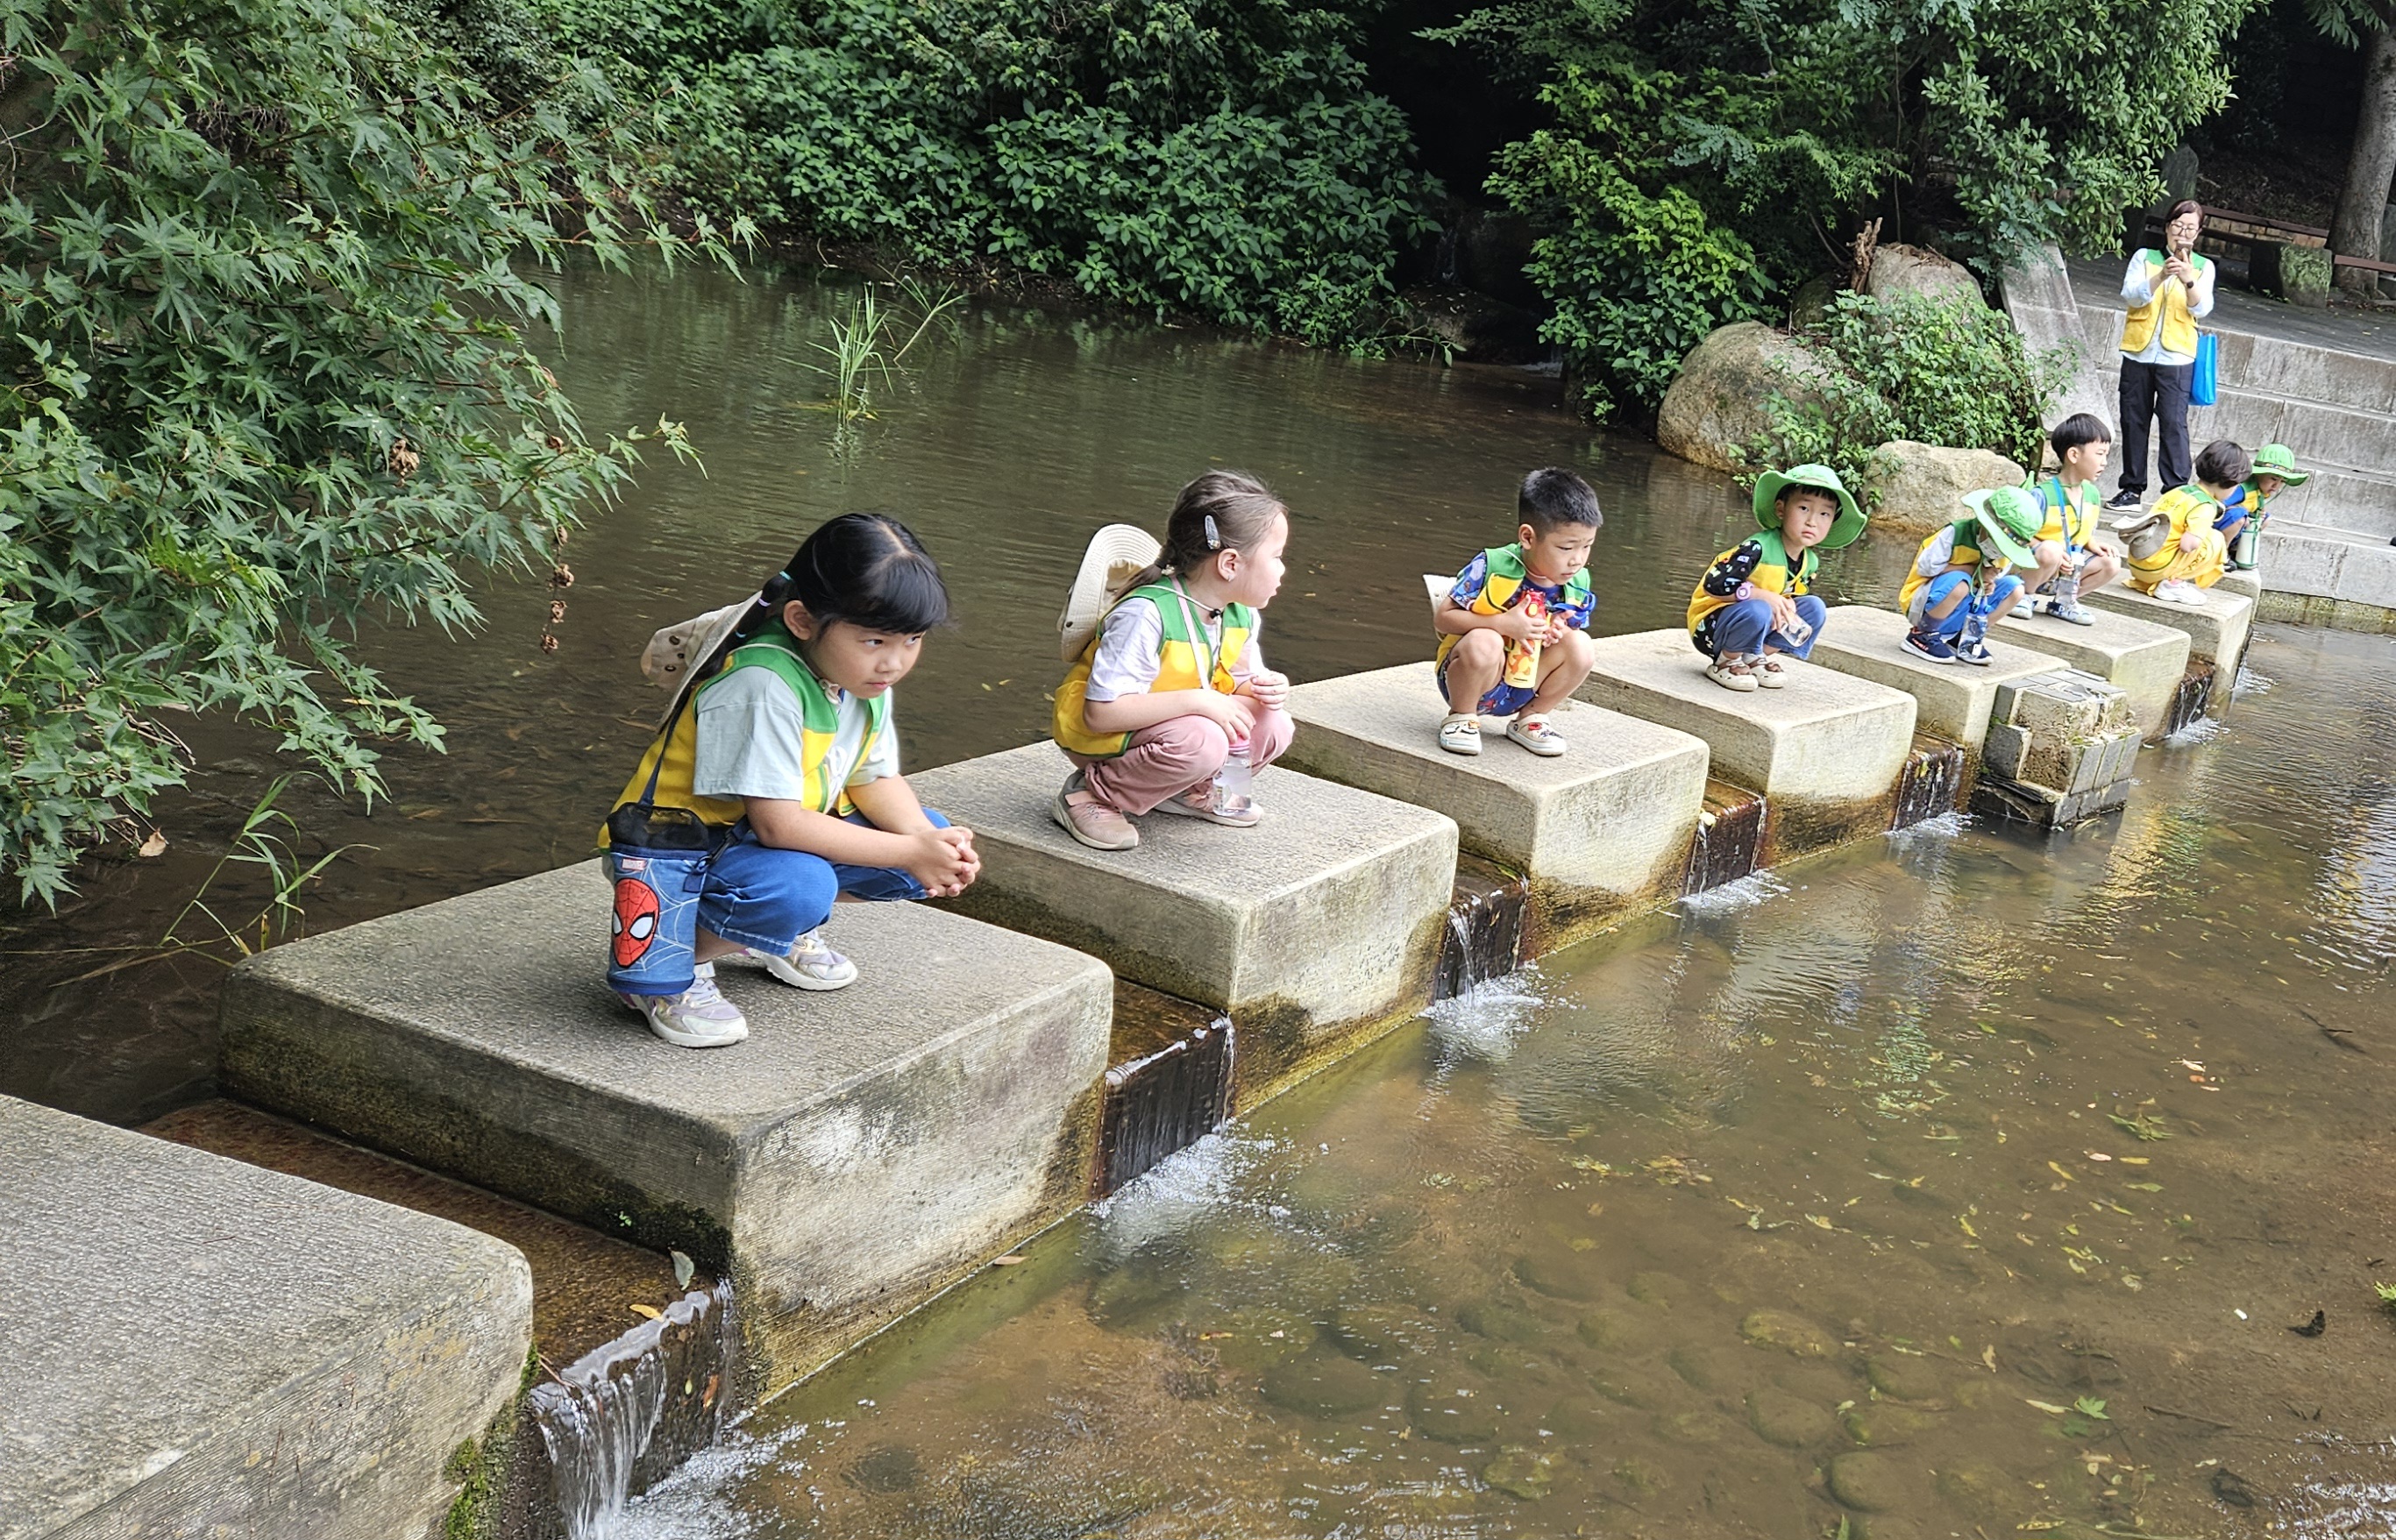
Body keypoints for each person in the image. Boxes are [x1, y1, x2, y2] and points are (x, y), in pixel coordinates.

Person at [601, 513, 975, 1048]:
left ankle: (761, 931)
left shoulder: (858, 674)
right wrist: (908, 849)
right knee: (802, 887)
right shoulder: (761, 683)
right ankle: (669, 961)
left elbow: (874, 777)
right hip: (676, 855)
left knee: (926, 846)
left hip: (755, 842)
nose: (895, 662)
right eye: (875, 641)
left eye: (912, 640)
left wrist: (927, 844)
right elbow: (778, 826)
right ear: (802, 620)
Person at [1050, 470, 1295, 852]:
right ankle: (1092, 794)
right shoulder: (1146, 614)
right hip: (1107, 735)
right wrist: (1198, 700)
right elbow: (1100, 714)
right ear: (1230, 563)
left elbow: (1240, 684)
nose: (1282, 568)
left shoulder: (1240, 612)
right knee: (1203, 740)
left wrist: (1265, 688)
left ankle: (1192, 791)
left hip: (1173, 730)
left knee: (1274, 722)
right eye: (1277, 556)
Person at [1432, 467, 1601, 756]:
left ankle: (1531, 717)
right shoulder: (1493, 566)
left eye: (1587, 547)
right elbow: (1443, 618)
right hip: (1477, 678)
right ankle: (1461, 717)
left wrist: (1558, 629)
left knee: (1580, 646)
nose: (1577, 560)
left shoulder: (1577, 581)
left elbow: (1571, 628)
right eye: (1566, 547)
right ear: (1528, 537)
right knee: (1487, 640)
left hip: (1526, 682)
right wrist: (1502, 623)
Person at [1687, 463, 1866, 692]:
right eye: (1804, 508)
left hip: (1756, 622)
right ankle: (1726, 661)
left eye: (1824, 513)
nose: (1812, 520)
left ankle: (1754, 656)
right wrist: (1761, 595)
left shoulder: (1809, 561)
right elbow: (1714, 586)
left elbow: (1792, 594)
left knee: (1814, 608)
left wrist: (1786, 605)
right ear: (1781, 510)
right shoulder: (1757, 548)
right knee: (1760, 608)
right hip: (1712, 626)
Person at [2108, 200, 2215, 511]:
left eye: (2190, 228)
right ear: (2168, 227)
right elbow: (2131, 295)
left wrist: (2187, 278)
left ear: (2198, 233)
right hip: (2139, 351)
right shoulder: (2145, 257)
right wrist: (2161, 276)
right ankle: (2131, 489)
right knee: (2133, 420)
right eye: (2178, 226)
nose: (2182, 233)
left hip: (2178, 356)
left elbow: (2202, 308)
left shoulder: (2203, 266)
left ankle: (2176, 492)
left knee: (2173, 423)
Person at [1899, 486, 2042, 664]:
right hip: (1924, 603)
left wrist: (1989, 584)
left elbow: (1992, 579)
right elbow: (1926, 569)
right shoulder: (1955, 533)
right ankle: (1922, 635)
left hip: (1966, 607)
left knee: (2016, 589)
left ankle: (1967, 636)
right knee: (1961, 584)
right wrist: (1974, 572)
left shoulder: (2004, 555)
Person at [2119, 439, 2247, 606]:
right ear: (2229, 481)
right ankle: (2173, 584)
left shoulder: (2179, 491)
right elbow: (2188, 545)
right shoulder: (2205, 506)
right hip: (2156, 568)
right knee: (2215, 538)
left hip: (2138, 564)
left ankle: (2162, 581)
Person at [2025, 414, 2123, 626]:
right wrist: (2048, 549)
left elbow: (2080, 531)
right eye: (2099, 454)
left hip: (2069, 570)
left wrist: (2094, 545)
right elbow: (2019, 537)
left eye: (2106, 455)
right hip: (2039, 566)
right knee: (2049, 550)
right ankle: (2025, 595)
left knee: (2111, 562)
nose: (2104, 463)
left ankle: (2064, 602)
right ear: (2073, 455)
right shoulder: (2043, 494)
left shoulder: (2092, 494)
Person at [2214, 443, 2307, 571]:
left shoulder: (2261, 493)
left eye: (2282, 481)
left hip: (2237, 528)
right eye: (2274, 479)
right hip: (2215, 526)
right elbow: (2218, 506)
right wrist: (2242, 513)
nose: (2277, 485)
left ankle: (2236, 550)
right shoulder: (2243, 489)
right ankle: (2219, 554)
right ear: (2259, 474)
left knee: (2265, 519)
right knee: (2239, 516)